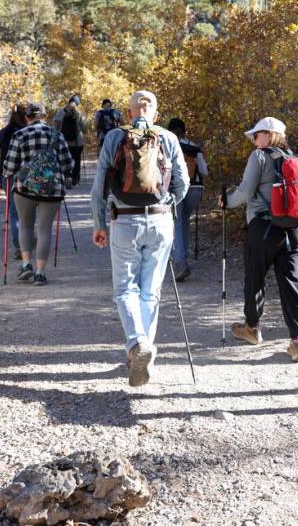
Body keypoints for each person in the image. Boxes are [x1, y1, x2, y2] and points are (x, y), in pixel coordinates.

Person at [90, 90, 189, 387]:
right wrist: (167, 203)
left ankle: (136, 344)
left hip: (124, 220)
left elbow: (99, 186)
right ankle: (146, 351)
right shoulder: (168, 137)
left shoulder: (113, 137)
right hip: (160, 220)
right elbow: (183, 183)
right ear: (155, 114)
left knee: (125, 290)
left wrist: (99, 223)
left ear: (129, 112)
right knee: (151, 291)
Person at [222, 117, 298, 363]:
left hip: (264, 226)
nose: (253, 140)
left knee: (255, 278)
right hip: (297, 228)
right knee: (292, 283)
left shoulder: (259, 157)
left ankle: (252, 329)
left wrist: (226, 202)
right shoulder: (297, 159)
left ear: (269, 135)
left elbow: (246, 191)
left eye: (256, 135)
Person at [2, 102, 75, 286]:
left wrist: (11, 173)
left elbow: (9, 167)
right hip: (52, 190)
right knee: (44, 230)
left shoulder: (19, 134)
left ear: (27, 117)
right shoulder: (57, 135)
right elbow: (68, 164)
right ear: (44, 116)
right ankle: (40, 273)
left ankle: (26, 265)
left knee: (25, 225)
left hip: (24, 189)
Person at [167, 117, 208, 282]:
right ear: (185, 131)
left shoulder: (167, 146)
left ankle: (180, 263)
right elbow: (205, 172)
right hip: (195, 189)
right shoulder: (194, 148)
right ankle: (182, 259)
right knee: (184, 221)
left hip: (174, 190)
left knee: (176, 223)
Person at [0, 104, 27, 258]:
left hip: (8, 176)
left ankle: (19, 246)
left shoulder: (5, 132)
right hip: (29, 177)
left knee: (15, 212)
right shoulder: (30, 132)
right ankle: (27, 242)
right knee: (28, 211)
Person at [53, 95, 86, 186]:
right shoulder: (79, 114)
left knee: (65, 160)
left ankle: (67, 177)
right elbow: (83, 128)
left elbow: (55, 127)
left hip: (64, 141)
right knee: (77, 160)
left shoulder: (60, 113)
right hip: (78, 142)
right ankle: (75, 179)